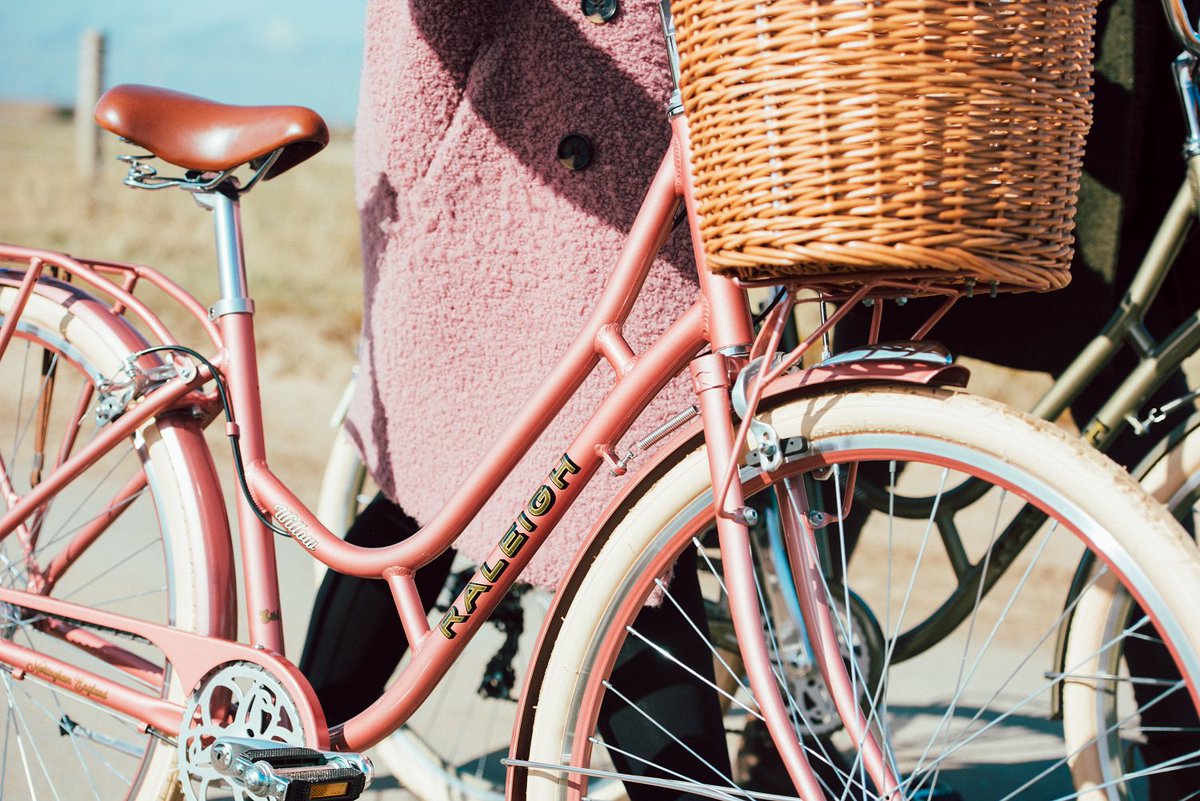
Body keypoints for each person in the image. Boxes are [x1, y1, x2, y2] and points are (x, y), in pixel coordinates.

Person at [303, 1, 1200, 798]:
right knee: (498, 473)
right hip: (505, 125)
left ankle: (296, 740)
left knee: (612, 493)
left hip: (687, 110)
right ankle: (282, 745)